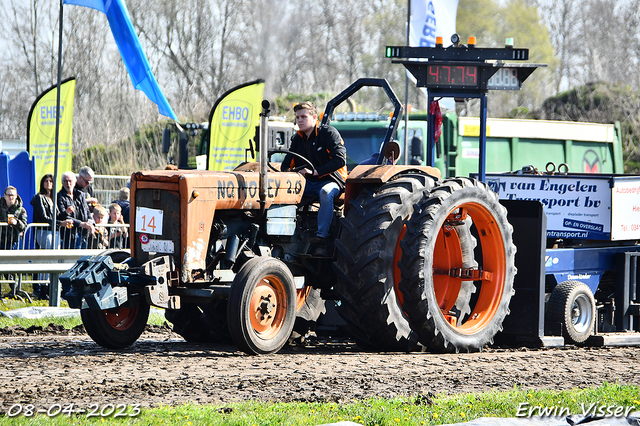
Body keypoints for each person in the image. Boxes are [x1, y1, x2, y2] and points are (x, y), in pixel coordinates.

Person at [281, 101, 347, 256]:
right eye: (297, 117)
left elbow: (340, 160)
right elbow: (287, 163)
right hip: (308, 183)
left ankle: (322, 237)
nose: (300, 120)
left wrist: (316, 172)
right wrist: (288, 173)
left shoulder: (328, 133)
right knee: (284, 192)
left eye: (303, 116)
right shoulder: (297, 139)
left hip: (331, 180)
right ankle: (286, 233)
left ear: (314, 117)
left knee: (325, 192)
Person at [30, 174, 57, 299]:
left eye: (51, 181)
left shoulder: (54, 198)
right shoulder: (38, 197)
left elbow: (58, 215)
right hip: (43, 231)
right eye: (46, 181)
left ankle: (48, 288)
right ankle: (39, 288)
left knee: (53, 260)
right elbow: (43, 216)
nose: (48, 183)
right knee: (44, 258)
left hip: (55, 231)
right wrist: (59, 222)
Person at [57, 171, 94, 249]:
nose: (68, 183)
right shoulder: (59, 196)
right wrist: (80, 224)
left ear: (74, 182)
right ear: (62, 183)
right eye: (65, 181)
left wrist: (91, 224)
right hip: (69, 235)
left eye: (70, 181)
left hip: (83, 234)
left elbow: (87, 212)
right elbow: (63, 216)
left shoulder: (81, 195)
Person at [0, 186, 27, 250]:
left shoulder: (21, 210)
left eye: (12, 195)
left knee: (11, 259)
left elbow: (24, 226)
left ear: (16, 196)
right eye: (8, 195)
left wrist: (17, 222)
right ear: (5, 195)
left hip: (13, 241)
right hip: (1, 239)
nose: (10, 197)